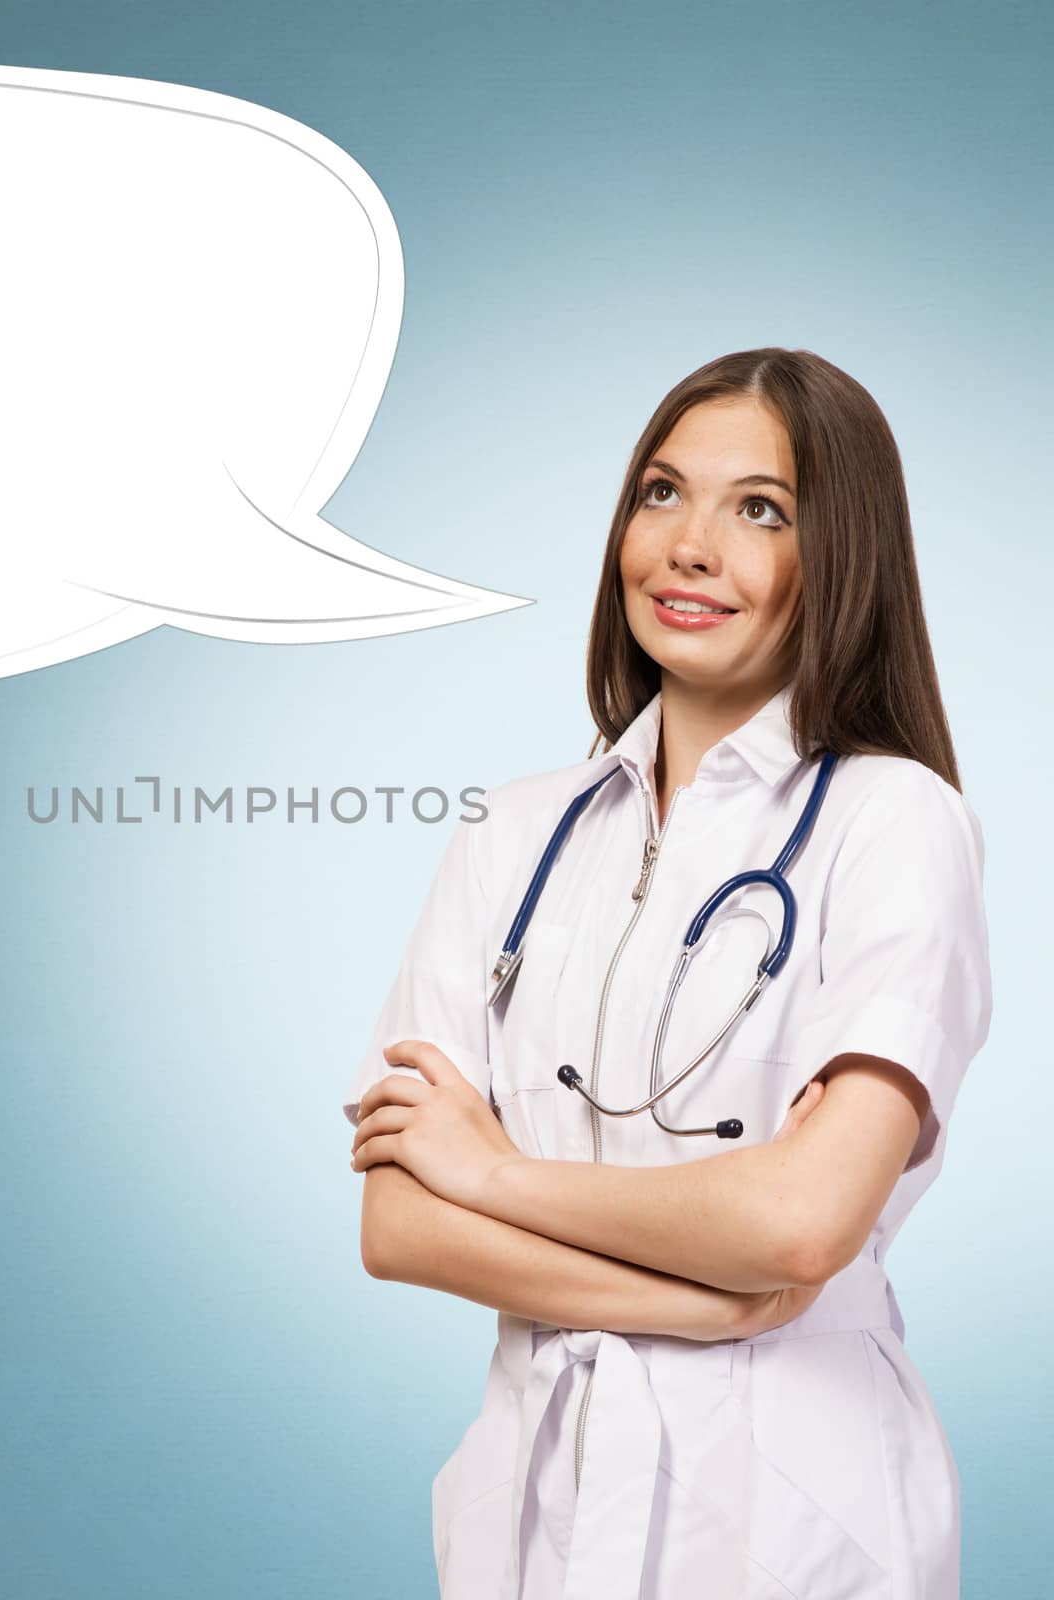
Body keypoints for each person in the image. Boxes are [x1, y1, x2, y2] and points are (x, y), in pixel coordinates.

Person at [343, 347, 992, 1599]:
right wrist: (703, 1299)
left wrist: (490, 1171)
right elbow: (397, 1223)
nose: (689, 545)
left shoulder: (896, 824)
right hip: (533, 1504)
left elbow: (803, 1221)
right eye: (660, 492)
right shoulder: (511, 833)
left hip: (789, 1511)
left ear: (840, 556)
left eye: (761, 508)